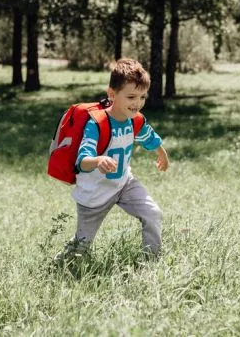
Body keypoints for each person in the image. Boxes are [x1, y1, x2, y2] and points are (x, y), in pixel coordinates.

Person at [58, 58, 169, 262]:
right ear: (112, 94)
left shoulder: (134, 120)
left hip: (124, 184)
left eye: (142, 97)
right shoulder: (97, 124)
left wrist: (162, 154)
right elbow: (82, 160)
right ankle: (61, 264)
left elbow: (149, 138)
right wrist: (98, 160)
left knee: (153, 213)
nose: (137, 103)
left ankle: (152, 262)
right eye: (131, 97)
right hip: (94, 194)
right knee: (81, 247)